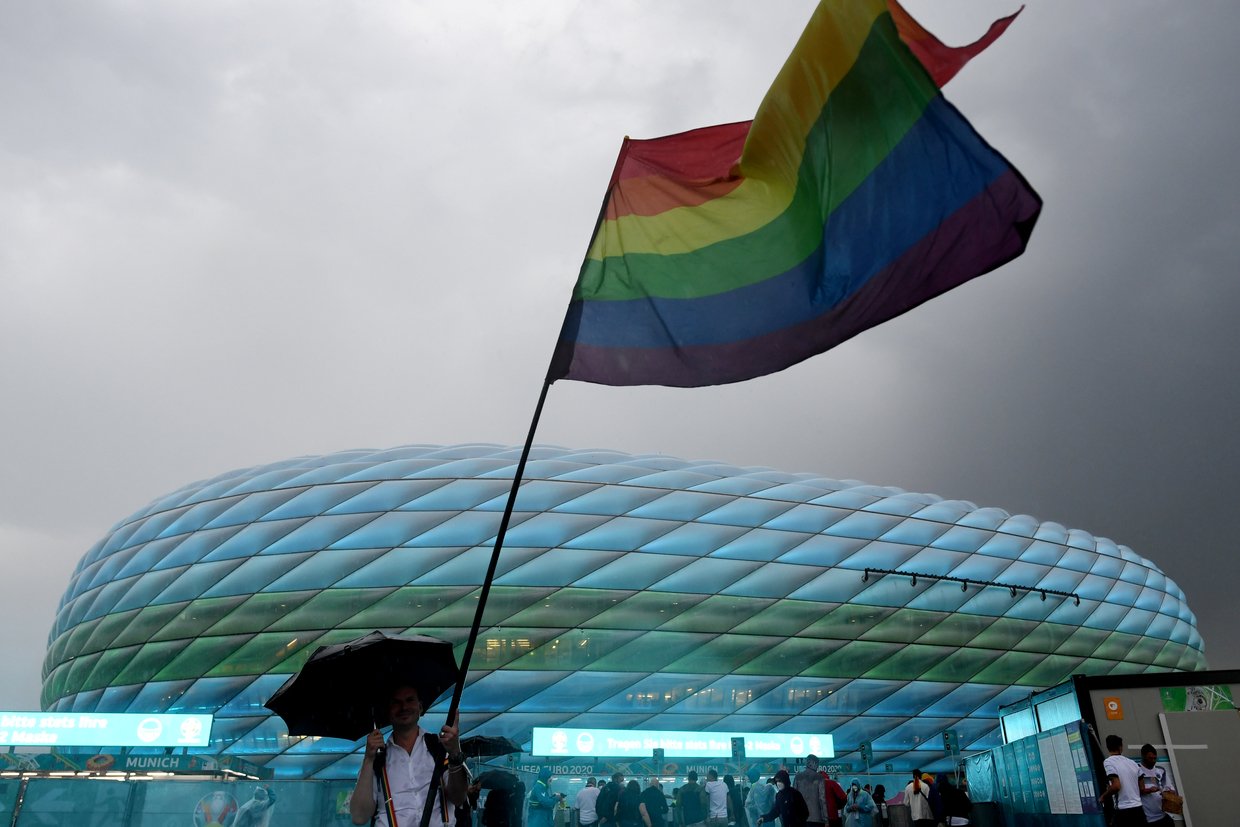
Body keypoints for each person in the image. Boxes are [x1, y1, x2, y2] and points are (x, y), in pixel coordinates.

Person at [351, 683, 469, 827]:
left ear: (420, 707)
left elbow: (459, 798)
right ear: (389, 711)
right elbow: (359, 817)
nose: (404, 707)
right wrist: (368, 759)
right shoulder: (377, 758)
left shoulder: (439, 746)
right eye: (396, 702)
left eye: (409, 700)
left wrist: (455, 753)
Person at [1098, 735, 1144, 826]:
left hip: (1123, 810)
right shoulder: (1133, 763)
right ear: (1120, 747)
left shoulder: (1108, 762)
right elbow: (1142, 788)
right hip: (1139, 809)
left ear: (1108, 747)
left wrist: (1103, 796)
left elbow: (1116, 786)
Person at [1136, 744, 1177, 825]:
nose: (1153, 761)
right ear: (1143, 756)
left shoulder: (1161, 770)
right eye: (1150, 758)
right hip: (1148, 819)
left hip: (1164, 816)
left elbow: (1170, 789)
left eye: (1155, 758)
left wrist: (1169, 793)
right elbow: (1132, 793)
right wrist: (1149, 790)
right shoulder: (1136, 770)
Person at [794, 756, 828, 827]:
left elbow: (794, 798)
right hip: (816, 818)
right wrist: (826, 819)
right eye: (817, 765)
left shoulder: (798, 777)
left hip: (800, 818)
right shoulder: (819, 777)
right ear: (813, 763)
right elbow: (822, 799)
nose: (817, 767)